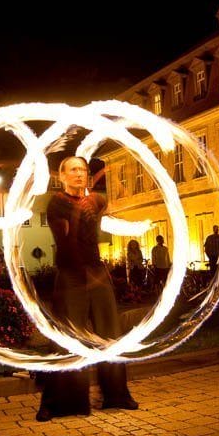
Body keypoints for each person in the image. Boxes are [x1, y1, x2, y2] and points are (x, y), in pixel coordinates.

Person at [36, 156, 138, 422]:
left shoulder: (95, 200)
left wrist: (100, 189)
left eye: (83, 169)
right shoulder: (56, 204)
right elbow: (66, 240)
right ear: (62, 177)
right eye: (73, 170)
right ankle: (58, 402)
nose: (79, 173)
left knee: (110, 333)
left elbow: (104, 202)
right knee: (69, 337)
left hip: (96, 271)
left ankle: (117, 394)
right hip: (71, 274)